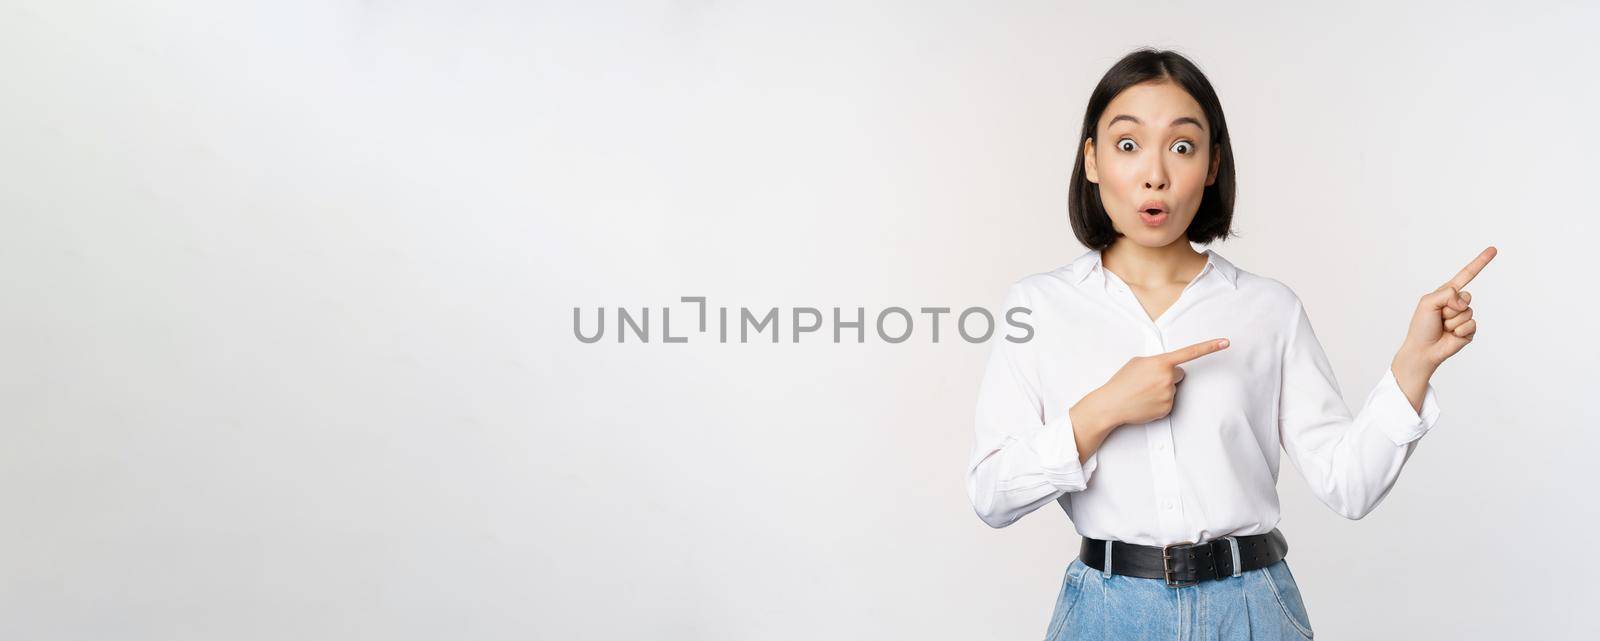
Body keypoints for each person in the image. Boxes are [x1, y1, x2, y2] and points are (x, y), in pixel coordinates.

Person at [964, 48, 1495, 640]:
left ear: (1212, 166)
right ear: (1091, 159)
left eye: (1183, 146)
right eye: (1128, 144)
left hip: (1253, 609)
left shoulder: (1268, 309)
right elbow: (992, 495)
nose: (1155, 173)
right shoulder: (1039, 306)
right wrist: (1104, 409)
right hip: (1107, 614)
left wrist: (1413, 364)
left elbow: (1350, 486)